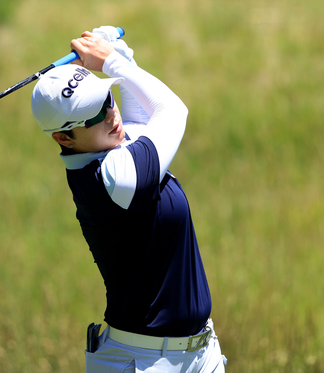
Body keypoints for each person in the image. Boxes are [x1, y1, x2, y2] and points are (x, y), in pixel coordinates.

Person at [31, 26, 227, 373]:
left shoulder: (107, 145)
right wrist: (114, 64)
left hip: (199, 354)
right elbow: (172, 112)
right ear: (64, 137)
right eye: (94, 114)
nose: (111, 114)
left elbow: (139, 118)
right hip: (143, 363)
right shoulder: (113, 178)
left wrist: (121, 53)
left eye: (107, 98)